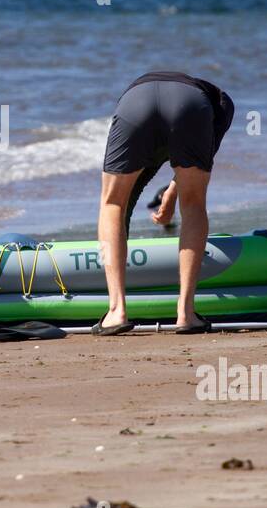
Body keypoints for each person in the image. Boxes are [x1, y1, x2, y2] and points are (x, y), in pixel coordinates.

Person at [93, 72, 234, 336]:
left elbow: (126, 197)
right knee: (193, 206)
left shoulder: (146, 93)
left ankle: (116, 311)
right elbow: (197, 161)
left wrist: (169, 194)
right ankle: (185, 313)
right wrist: (173, 194)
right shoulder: (221, 106)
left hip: (135, 100)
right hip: (190, 104)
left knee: (112, 204)